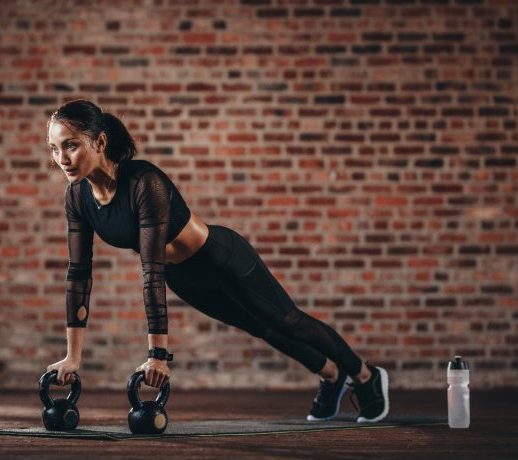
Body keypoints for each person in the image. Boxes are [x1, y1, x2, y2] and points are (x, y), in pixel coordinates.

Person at [45, 99, 390, 423]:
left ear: (100, 142)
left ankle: (365, 375)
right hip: (185, 277)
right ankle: (331, 377)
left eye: (71, 145)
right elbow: (78, 275)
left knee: (288, 322)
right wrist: (72, 356)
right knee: (261, 327)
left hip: (221, 259)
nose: (62, 158)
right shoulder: (77, 198)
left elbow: (151, 270)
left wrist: (159, 356)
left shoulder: (143, 182)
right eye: (54, 149)